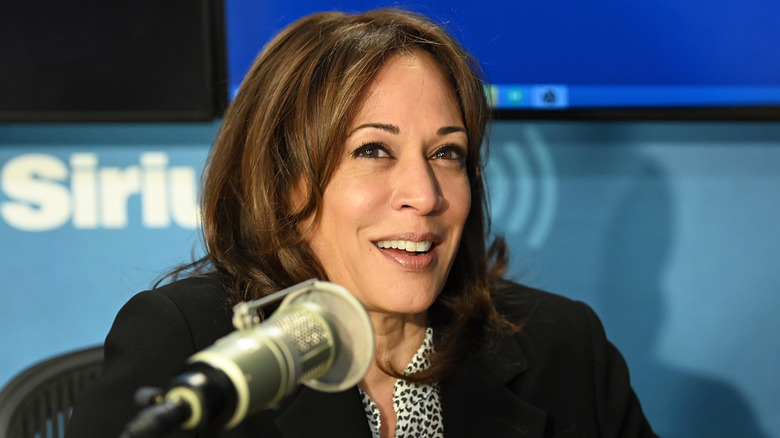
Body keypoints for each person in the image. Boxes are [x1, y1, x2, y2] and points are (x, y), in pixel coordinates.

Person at [66, 7, 656, 438]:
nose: (424, 196)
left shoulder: (563, 345)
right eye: (373, 150)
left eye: (446, 153)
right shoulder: (191, 343)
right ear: (282, 178)